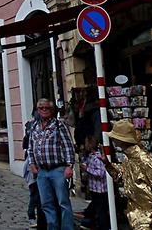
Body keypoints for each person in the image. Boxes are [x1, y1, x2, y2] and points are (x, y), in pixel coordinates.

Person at [103, 119, 152, 229]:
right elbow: (123, 177)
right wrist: (108, 165)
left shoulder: (144, 160)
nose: (113, 139)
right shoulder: (130, 158)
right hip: (141, 217)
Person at [26, 98, 76, 230]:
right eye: (41, 108)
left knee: (63, 203)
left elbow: (68, 147)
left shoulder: (59, 126)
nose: (43, 110)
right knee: (46, 204)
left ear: (52, 110)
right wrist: (32, 164)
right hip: (42, 171)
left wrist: (69, 166)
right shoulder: (34, 127)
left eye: (46, 108)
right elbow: (30, 148)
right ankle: (52, 227)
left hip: (58, 169)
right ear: (37, 110)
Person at [80, 135, 109, 230]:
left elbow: (100, 173)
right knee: (98, 208)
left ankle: (103, 226)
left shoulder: (97, 158)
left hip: (100, 189)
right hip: (94, 188)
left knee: (100, 210)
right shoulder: (90, 156)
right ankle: (93, 222)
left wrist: (87, 169)